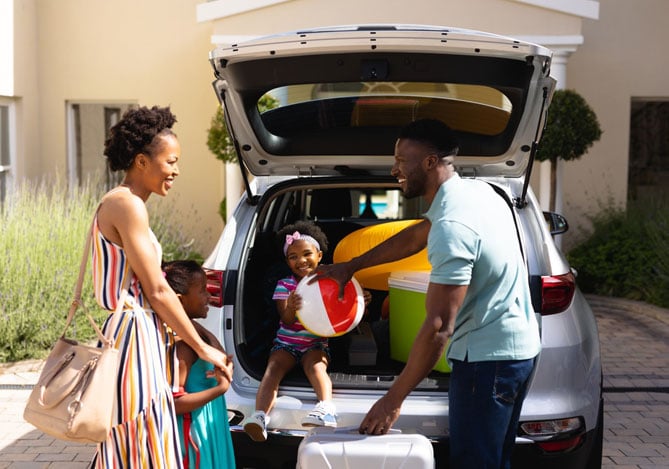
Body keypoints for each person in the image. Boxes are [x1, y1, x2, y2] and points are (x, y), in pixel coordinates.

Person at [313, 119, 541, 469]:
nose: (394, 170)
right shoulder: (478, 193)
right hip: (518, 350)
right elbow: (416, 235)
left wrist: (393, 399)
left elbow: (438, 327)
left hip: (488, 362)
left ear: (430, 162)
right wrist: (351, 266)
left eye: (401, 161)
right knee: (496, 459)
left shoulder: (452, 228)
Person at [91, 105, 232, 468]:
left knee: (138, 442)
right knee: (142, 442)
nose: (176, 170)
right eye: (170, 161)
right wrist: (203, 348)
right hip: (134, 333)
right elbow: (157, 290)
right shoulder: (126, 205)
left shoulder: (127, 203)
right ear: (141, 161)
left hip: (140, 333)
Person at [241, 221, 338, 442]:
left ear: (320, 255)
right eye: (293, 257)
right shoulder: (284, 285)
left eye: (306, 254)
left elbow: (339, 311)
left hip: (315, 343)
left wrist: (361, 301)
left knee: (316, 368)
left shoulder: (328, 282)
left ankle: (326, 408)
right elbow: (285, 318)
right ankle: (260, 416)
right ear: (287, 262)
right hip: (286, 343)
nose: (301, 261)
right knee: (272, 370)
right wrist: (292, 306)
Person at [163, 260, 236, 469]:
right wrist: (221, 389)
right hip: (193, 435)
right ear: (180, 300)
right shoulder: (184, 348)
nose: (209, 296)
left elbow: (219, 352)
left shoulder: (197, 334)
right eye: (202, 290)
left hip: (208, 427)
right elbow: (174, 404)